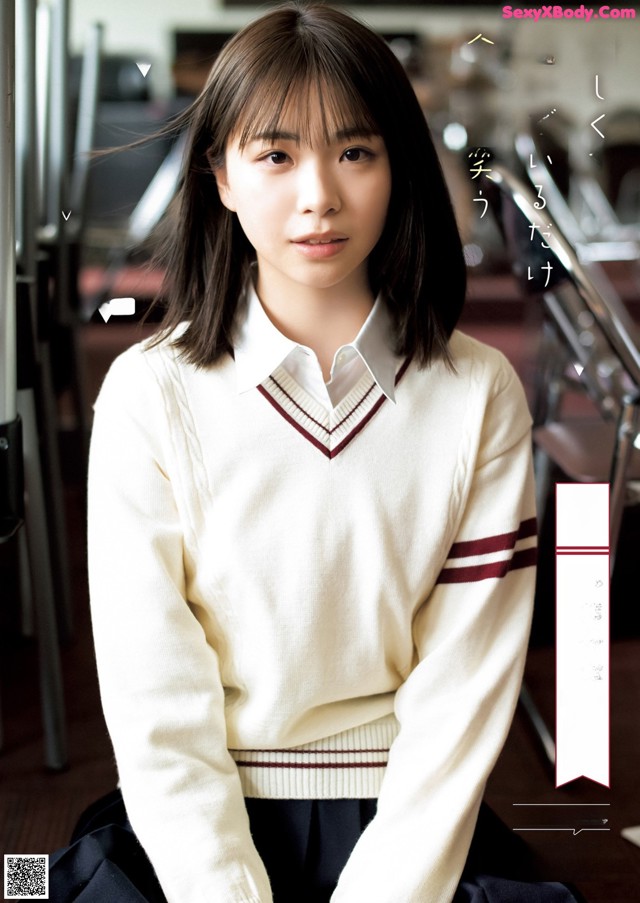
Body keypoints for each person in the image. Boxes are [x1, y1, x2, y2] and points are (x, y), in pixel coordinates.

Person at [51, 4, 583, 902]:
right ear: (219, 175)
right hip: (196, 822)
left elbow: (463, 690)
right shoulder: (150, 392)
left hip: (409, 817)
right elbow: (156, 698)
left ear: (397, 169)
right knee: (25, 883)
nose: (318, 197)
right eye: (275, 155)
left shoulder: (477, 390)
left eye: (355, 152)